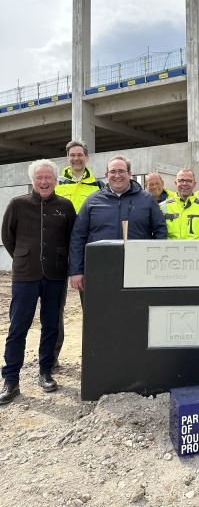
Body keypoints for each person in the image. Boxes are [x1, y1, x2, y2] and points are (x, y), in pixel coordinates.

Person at [0, 159, 76, 405]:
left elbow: (72, 238)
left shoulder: (65, 206)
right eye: (39, 178)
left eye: (48, 177)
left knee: (51, 325)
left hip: (55, 274)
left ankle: (45, 372)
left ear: (55, 180)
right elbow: (8, 237)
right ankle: (11, 379)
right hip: (25, 275)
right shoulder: (17, 204)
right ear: (33, 180)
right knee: (18, 327)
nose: (44, 182)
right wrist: (24, 257)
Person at [69, 155, 167, 293]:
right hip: (98, 270)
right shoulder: (92, 201)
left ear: (129, 174)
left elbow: (160, 232)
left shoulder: (147, 200)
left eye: (121, 171)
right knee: (98, 312)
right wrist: (76, 271)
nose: (117, 175)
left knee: (134, 311)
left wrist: (156, 264)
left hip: (137, 270)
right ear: (106, 175)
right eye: (113, 172)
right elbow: (78, 236)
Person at [53, 140, 104, 366]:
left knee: (92, 307)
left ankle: (95, 357)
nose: (76, 159)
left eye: (80, 155)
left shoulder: (99, 186)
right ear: (67, 158)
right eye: (72, 155)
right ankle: (51, 358)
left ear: (87, 158)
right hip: (57, 251)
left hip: (86, 253)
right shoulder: (55, 182)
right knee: (54, 309)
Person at [159, 168, 199, 239]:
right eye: (181, 180)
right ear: (175, 183)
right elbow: (159, 236)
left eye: (189, 181)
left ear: (194, 184)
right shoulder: (162, 207)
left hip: (197, 250)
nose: (184, 184)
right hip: (173, 249)